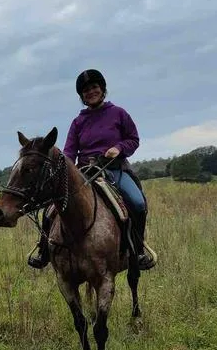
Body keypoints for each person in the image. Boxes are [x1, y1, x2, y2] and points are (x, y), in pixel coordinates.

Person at [30, 69, 155, 270]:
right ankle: (43, 251)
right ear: (82, 96)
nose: (91, 92)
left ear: (103, 89)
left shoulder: (119, 113)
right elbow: (69, 153)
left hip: (114, 170)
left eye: (94, 87)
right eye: (86, 90)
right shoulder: (78, 122)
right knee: (50, 211)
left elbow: (133, 139)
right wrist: (65, 172)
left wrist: (119, 148)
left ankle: (138, 251)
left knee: (138, 203)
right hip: (84, 172)